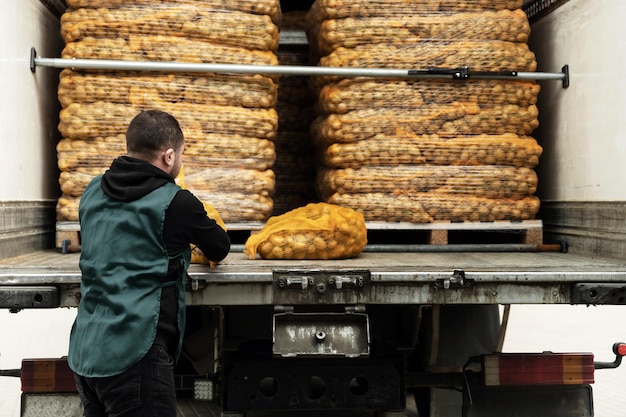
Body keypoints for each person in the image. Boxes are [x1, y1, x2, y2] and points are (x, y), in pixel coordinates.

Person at [68, 110, 231, 417]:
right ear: (169, 156)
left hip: (86, 352)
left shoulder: (91, 191)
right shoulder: (177, 202)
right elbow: (219, 247)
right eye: (181, 154)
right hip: (135, 355)